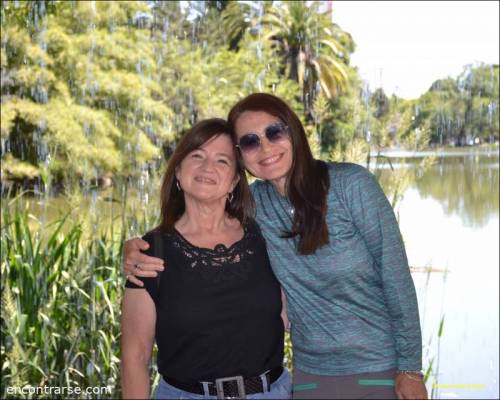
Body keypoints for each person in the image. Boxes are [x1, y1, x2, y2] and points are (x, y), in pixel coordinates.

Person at [123, 94, 428, 400]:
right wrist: (135, 249)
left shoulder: (351, 186)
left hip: (379, 368)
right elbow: (202, 209)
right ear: (244, 159)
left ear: (293, 132)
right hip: (312, 375)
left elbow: (396, 279)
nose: (266, 147)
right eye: (251, 141)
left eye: (274, 132)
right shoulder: (256, 208)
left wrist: (410, 369)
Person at [120, 118, 292, 400]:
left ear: (235, 180)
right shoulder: (151, 252)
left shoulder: (265, 236)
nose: (207, 167)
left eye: (222, 161)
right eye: (197, 155)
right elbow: (135, 357)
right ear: (178, 170)